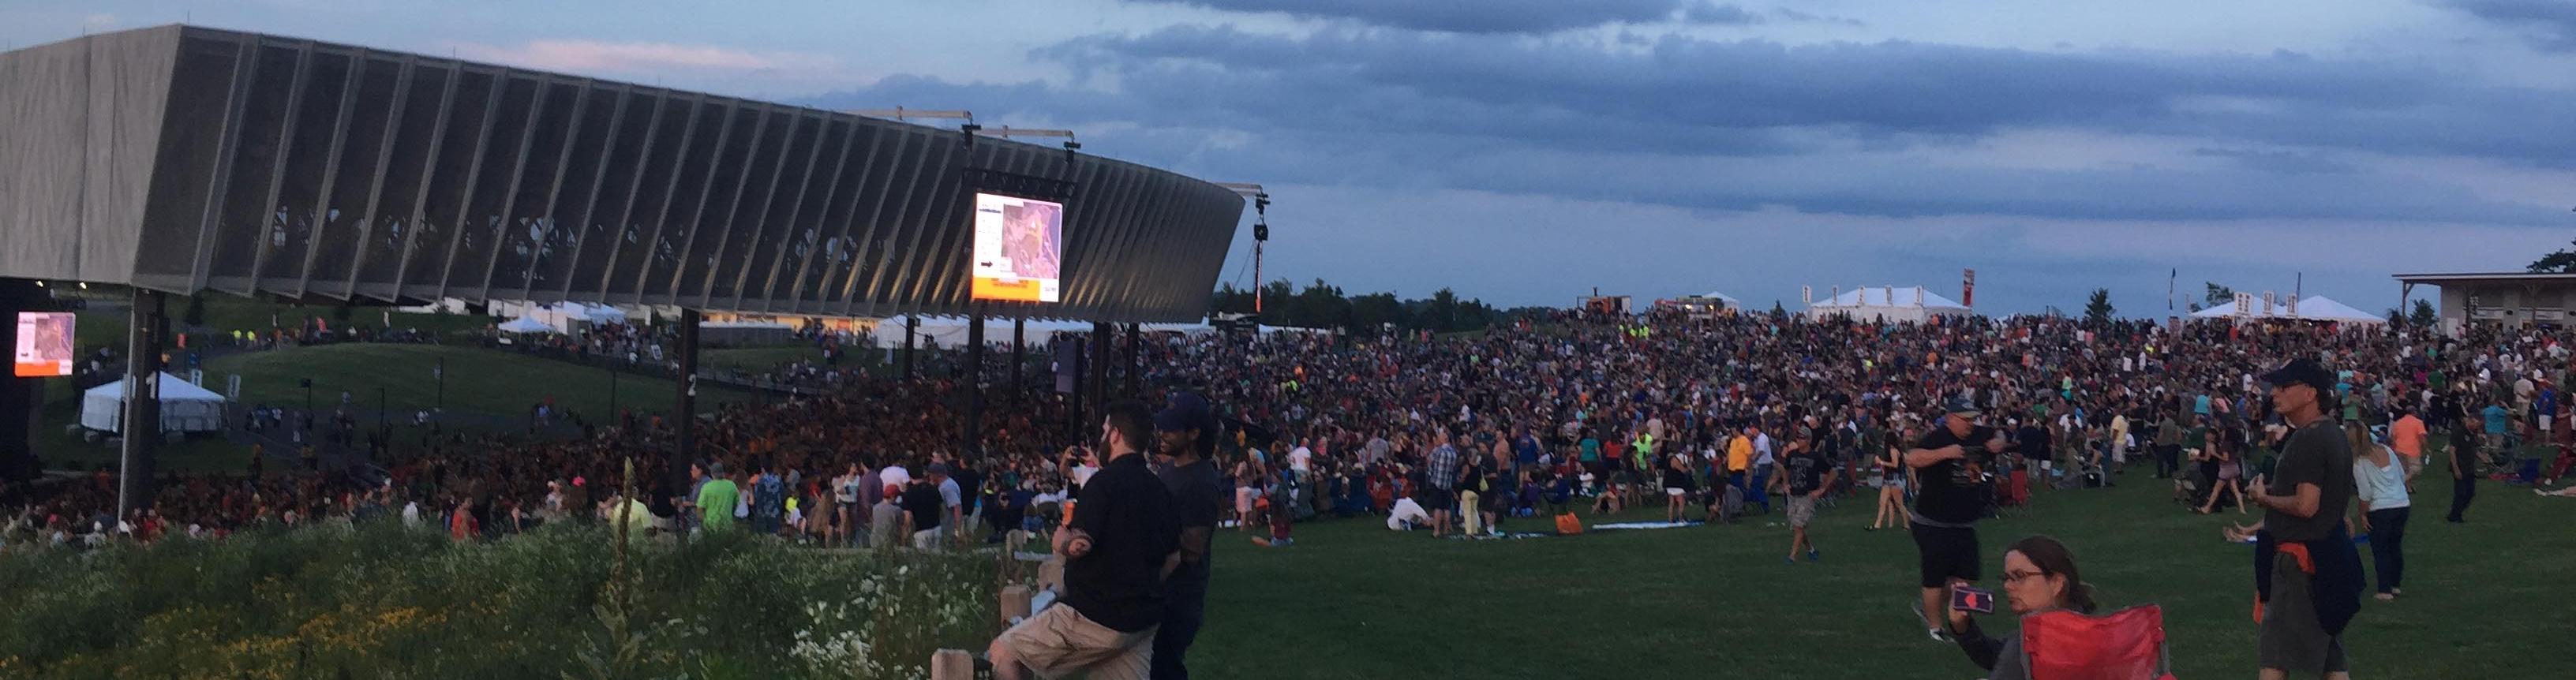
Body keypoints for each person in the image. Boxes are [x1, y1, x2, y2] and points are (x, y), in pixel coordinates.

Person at [990, 400, 1181, 680]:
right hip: (1140, 623)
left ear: (1115, 434)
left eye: (1104, 432)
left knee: (1004, 652)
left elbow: (1081, 545)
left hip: (1093, 616)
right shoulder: (1160, 490)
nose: (1102, 438)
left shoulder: (1103, 484)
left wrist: (1061, 542)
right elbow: (1174, 559)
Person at [2222, 359, 2362, 680]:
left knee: (2275, 660)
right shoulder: (2334, 433)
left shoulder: (2309, 438)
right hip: (2327, 555)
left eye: (2285, 387)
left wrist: (2263, 498)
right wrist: (2275, 490)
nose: (2275, 393)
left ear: (2310, 393)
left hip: (2298, 562)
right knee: (2332, 661)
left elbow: (2306, 505)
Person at [1907, 398, 2009, 641]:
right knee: (1935, 577)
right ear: (1950, 418)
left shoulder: (1979, 433)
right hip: (1933, 522)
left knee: (1966, 577)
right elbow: (1912, 458)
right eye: (1965, 419)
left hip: (1965, 521)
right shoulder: (1938, 438)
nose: (1970, 424)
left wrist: (1999, 442)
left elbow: (1999, 433)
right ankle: (1936, 628)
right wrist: (1944, 454)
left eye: (1973, 418)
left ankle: (1937, 610)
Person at [1951, 536, 2103, 680]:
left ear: (2056, 583)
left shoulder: (2033, 640)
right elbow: (2000, 657)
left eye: (2020, 576)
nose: (2007, 586)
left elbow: (2010, 660)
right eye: (2007, 578)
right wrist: (1963, 628)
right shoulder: (2086, 627)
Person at [1151, 393, 1222, 680]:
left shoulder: (1201, 482)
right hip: (1158, 594)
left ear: (1193, 434)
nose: (1163, 434)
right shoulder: (1169, 469)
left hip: (1177, 600)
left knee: (1165, 670)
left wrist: (1151, 576)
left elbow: (1191, 551)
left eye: (1171, 429)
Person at [2349, 422, 2409, 602]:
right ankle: (2395, 584)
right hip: (2401, 503)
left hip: (2380, 508)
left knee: (2380, 549)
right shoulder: (2387, 450)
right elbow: (2400, 474)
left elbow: (2365, 492)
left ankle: (2384, 589)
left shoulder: (2359, 462)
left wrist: (2362, 514)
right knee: (2395, 546)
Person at [1780, 427, 1838, 563]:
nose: (1799, 440)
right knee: (1796, 526)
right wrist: (1786, 483)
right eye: (1798, 437)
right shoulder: (1792, 454)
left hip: (1807, 496)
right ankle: (1811, 550)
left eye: (1802, 438)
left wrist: (1822, 489)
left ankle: (1792, 556)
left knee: (1799, 526)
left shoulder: (1815, 457)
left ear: (1809, 440)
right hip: (1793, 494)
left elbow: (1832, 472)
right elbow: (1785, 469)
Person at [1870, 425, 1911, 531]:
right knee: (1882, 502)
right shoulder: (1891, 451)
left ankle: (1907, 524)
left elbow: (1895, 465)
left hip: (1895, 479)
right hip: (1888, 479)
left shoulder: (1893, 451)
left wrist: (1881, 462)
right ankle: (1877, 525)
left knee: (1899, 503)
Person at [1424, 428, 1461, 538]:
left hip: (1437, 481)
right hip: (1447, 482)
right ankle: (1446, 529)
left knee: (1438, 508)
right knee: (1447, 508)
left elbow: (1430, 462)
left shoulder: (1438, 451)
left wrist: (1431, 471)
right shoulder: (1453, 452)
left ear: (1443, 439)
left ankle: (1436, 531)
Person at [2445, 423, 2478, 524]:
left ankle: (2455, 512)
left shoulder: (2472, 434)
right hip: (2460, 467)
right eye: (2477, 424)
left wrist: (2483, 457)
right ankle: (2455, 516)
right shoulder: (2458, 432)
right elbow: (2452, 451)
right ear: (2471, 420)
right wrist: (2456, 469)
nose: (2478, 427)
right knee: (2461, 493)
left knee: (2470, 492)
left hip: (2470, 468)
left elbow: (2473, 449)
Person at [695, 462, 739, 533]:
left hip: (710, 526)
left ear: (712, 474)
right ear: (723, 473)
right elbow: (736, 503)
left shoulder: (706, 487)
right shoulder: (732, 486)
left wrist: (704, 521)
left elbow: (700, 508)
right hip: (727, 525)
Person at [869, 484, 904, 550]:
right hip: (890, 541)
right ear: (893, 496)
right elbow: (901, 524)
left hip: (875, 540)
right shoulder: (896, 510)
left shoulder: (875, 508)